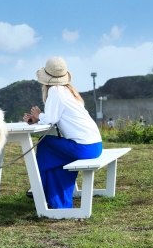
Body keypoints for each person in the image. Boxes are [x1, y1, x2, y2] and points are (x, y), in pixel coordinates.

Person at [22, 57, 102, 209]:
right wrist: (38, 119)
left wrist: (39, 115)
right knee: (57, 158)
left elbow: (51, 118)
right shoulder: (67, 91)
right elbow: (56, 116)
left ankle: (40, 185)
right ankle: (54, 199)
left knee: (45, 143)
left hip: (83, 147)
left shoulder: (55, 91)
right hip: (94, 145)